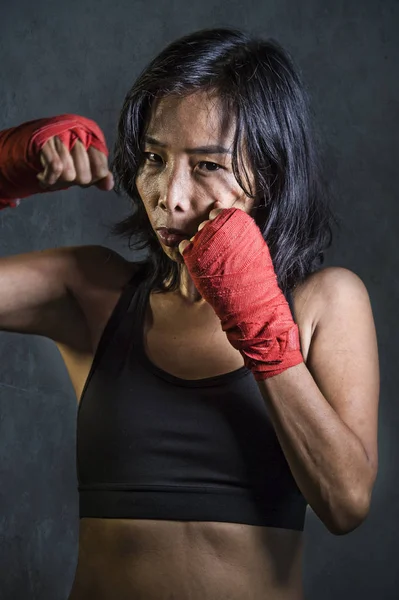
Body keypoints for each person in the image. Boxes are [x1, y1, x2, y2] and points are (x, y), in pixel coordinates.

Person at [0, 27, 379, 600]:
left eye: (206, 166)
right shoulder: (91, 291)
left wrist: (261, 325)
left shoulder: (324, 300)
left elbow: (346, 504)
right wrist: (3, 166)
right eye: (154, 157)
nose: (169, 195)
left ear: (271, 173)